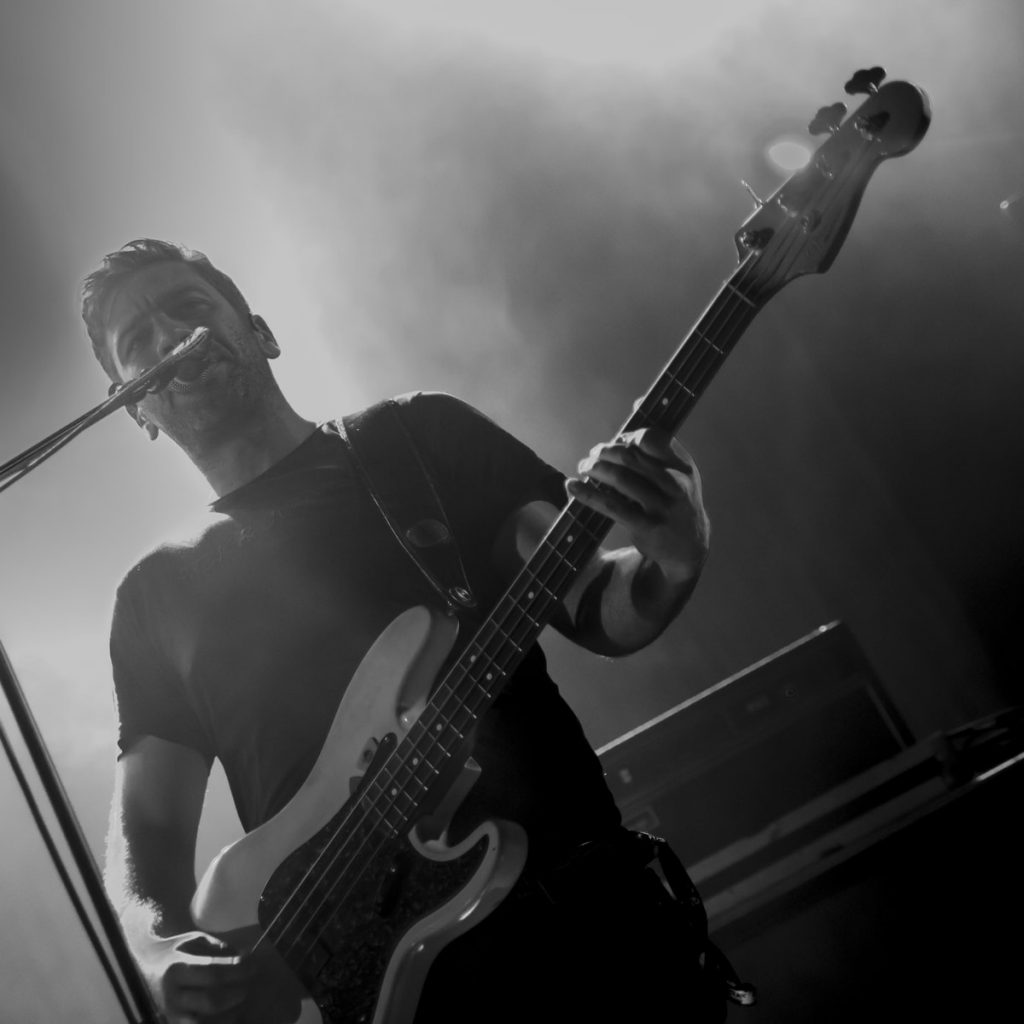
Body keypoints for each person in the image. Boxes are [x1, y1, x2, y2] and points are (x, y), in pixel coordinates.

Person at [84, 238, 722, 1023]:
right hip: (382, 1000)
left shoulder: (418, 439)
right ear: (135, 408)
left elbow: (598, 605)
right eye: (138, 340)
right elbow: (147, 833)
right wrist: (152, 952)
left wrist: (673, 554)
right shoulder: (153, 596)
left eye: (188, 307)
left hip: (586, 934)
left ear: (260, 332)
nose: (169, 337)